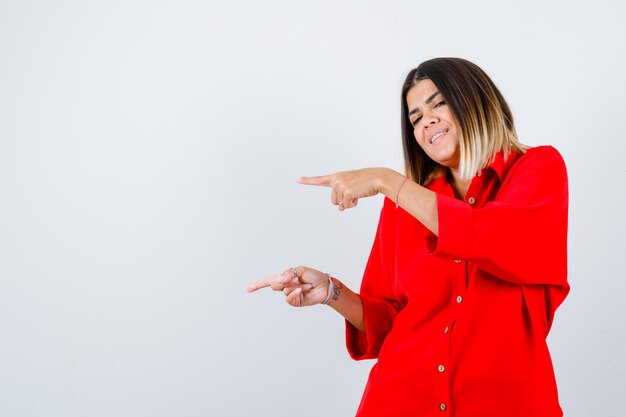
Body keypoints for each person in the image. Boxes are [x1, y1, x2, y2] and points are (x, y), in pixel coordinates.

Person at [247, 57, 569, 417]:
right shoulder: (402, 205)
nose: (426, 121)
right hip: (398, 402)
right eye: (415, 118)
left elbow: (497, 240)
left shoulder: (538, 170)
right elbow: (388, 322)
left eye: (439, 103)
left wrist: (387, 180)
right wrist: (331, 293)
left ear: (477, 99)